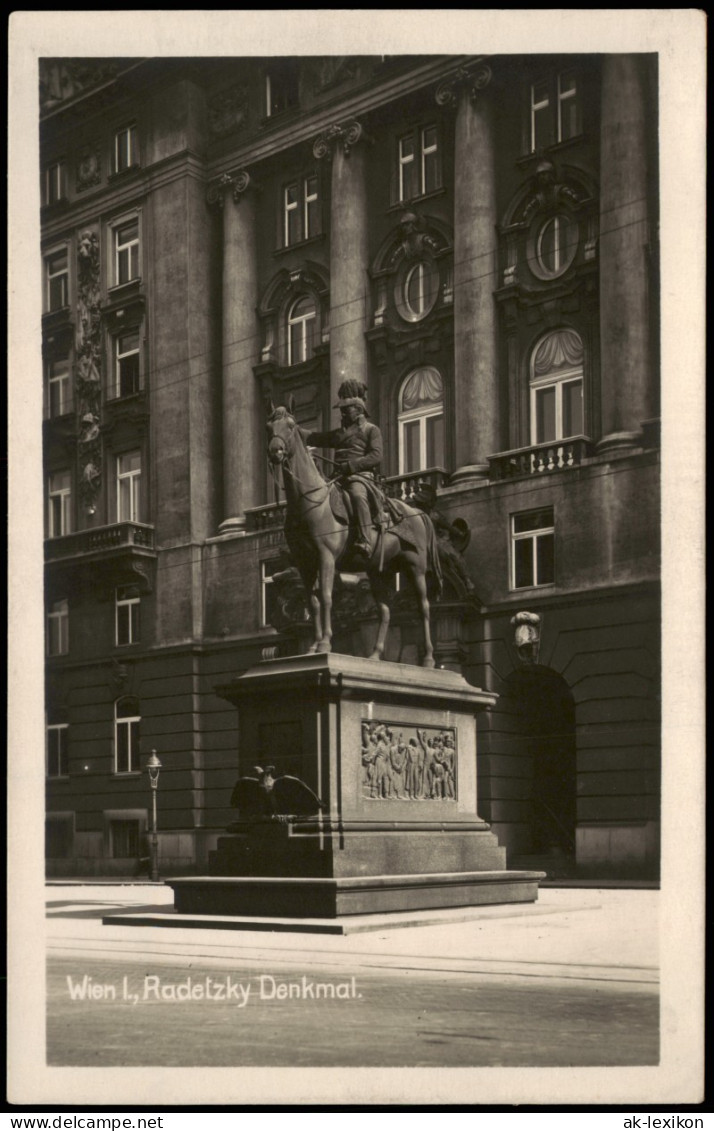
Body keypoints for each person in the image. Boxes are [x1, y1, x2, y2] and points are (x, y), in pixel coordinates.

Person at [306, 379, 383, 563]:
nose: (342, 411)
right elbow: (315, 438)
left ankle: (365, 539)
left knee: (357, 496)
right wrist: (292, 430)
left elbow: (376, 456)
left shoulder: (371, 430)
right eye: (341, 408)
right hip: (338, 479)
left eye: (346, 408)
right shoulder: (338, 434)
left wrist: (351, 466)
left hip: (360, 477)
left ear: (358, 408)